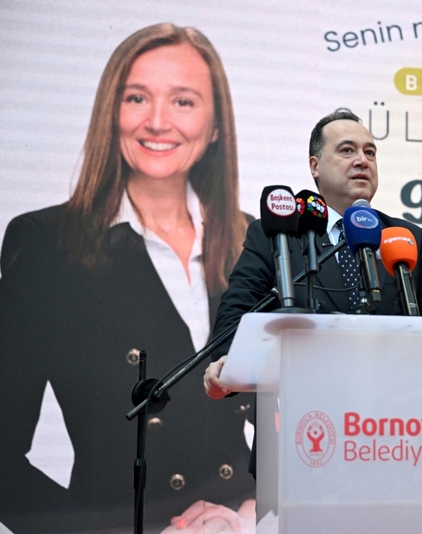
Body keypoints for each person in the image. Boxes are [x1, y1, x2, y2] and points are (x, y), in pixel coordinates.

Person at [0, 24, 256, 533]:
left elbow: (294, 426)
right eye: (137, 97)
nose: (157, 121)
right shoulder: (46, 244)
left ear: (215, 126)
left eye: (183, 101)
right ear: (110, 112)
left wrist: (251, 516)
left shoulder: (254, 242)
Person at [202, 112, 422, 519]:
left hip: (398, 451)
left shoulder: (407, 240)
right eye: (346, 150)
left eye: (370, 152)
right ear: (314, 166)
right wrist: (228, 362)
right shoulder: (278, 236)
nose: (362, 160)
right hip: (302, 450)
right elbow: (236, 314)